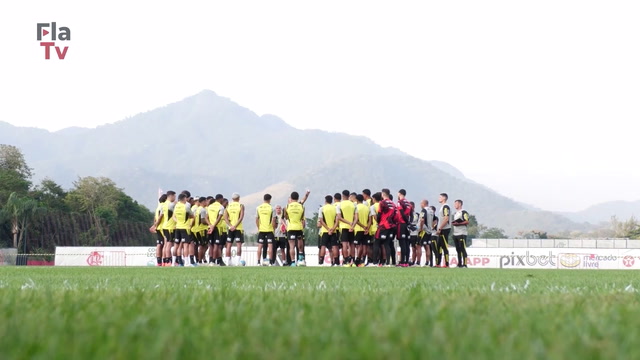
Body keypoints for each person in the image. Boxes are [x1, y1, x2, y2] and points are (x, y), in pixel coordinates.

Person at [284, 191, 306, 266]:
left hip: (291, 227)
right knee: (300, 241)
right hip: (299, 227)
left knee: (292, 246)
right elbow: (302, 217)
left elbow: (286, 217)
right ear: (297, 198)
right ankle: (300, 254)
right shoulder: (301, 206)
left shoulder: (287, 206)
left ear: (291, 197)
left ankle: (293, 262)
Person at [337, 189, 357, 267]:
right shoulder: (353, 205)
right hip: (352, 227)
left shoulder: (340, 205)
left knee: (344, 245)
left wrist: (348, 223)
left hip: (344, 227)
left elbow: (339, 217)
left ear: (342, 196)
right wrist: (352, 225)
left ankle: (346, 261)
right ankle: (353, 261)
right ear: (349, 196)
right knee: (352, 244)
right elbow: (356, 218)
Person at [172, 193, 194, 266]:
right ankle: (187, 262)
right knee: (185, 245)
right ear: (184, 199)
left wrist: (178, 221)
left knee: (176, 245)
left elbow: (173, 217)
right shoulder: (186, 207)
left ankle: (173, 262)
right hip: (185, 227)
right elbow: (192, 216)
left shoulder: (176, 206)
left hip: (178, 227)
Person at [378, 189, 397, 267]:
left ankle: (378, 261)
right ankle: (388, 262)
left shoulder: (382, 203)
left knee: (378, 243)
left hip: (383, 225)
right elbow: (395, 216)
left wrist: (378, 223)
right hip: (391, 225)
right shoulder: (393, 203)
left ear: (383, 194)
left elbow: (379, 214)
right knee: (387, 244)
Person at [224, 193, 245, 266]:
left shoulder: (228, 206)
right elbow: (241, 217)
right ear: (239, 198)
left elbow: (225, 218)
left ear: (232, 198)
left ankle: (227, 262)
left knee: (229, 244)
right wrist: (235, 226)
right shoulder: (241, 205)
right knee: (239, 244)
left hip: (230, 228)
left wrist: (230, 226)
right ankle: (237, 262)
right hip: (238, 228)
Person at [256, 193, 276, 266]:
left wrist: (259, 228)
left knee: (259, 246)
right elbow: (274, 220)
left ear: (263, 199)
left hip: (261, 230)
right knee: (270, 246)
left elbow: (257, 219)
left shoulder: (258, 207)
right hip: (269, 230)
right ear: (269, 200)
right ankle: (270, 262)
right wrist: (273, 229)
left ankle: (258, 262)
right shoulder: (272, 208)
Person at [318, 195, 339, 266]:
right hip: (334, 230)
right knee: (334, 246)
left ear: (325, 200)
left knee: (323, 246)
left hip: (324, 231)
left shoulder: (322, 208)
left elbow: (321, 220)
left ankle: (321, 262)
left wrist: (327, 229)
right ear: (332, 200)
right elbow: (337, 220)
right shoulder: (335, 208)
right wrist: (333, 228)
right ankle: (336, 262)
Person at [205, 194, 225, 266]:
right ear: (221, 199)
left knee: (211, 245)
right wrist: (213, 226)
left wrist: (210, 225)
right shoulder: (221, 207)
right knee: (216, 245)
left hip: (209, 227)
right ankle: (213, 261)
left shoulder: (209, 206)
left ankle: (210, 261)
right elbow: (219, 218)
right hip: (217, 228)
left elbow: (206, 217)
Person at [149, 194, 167, 266]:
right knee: (166, 244)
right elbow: (160, 217)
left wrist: (155, 225)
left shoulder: (158, 207)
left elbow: (155, 217)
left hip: (159, 227)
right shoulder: (163, 206)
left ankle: (159, 262)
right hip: (163, 227)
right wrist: (155, 225)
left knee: (159, 244)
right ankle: (165, 261)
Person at [452, 199, 470, 268]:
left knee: (463, 249)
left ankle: (465, 264)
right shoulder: (456, 213)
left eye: (456, 204)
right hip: (455, 233)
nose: (455, 205)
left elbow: (467, 221)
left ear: (459, 204)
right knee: (458, 249)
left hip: (462, 233)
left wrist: (459, 223)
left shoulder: (464, 212)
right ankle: (459, 263)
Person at [396, 189, 412, 267]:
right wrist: (409, 223)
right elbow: (411, 214)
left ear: (400, 194)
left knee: (402, 243)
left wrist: (406, 222)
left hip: (402, 224)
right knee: (406, 243)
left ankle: (402, 262)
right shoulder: (409, 203)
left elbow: (401, 213)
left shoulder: (400, 202)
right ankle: (406, 261)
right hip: (407, 225)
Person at [354, 194, 371, 267]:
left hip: (358, 229)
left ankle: (358, 259)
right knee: (365, 246)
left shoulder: (356, 207)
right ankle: (363, 260)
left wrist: (363, 226)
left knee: (359, 246)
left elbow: (356, 220)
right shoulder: (367, 208)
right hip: (366, 229)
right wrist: (367, 227)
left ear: (357, 200)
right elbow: (370, 220)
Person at [435, 193, 451, 268]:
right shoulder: (442, 207)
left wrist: (440, 228)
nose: (439, 198)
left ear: (444, 198)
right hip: (441, 229)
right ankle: (438, 263)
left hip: (444, 229)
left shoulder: (445, 207)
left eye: (440, 197)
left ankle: (447, 264)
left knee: (444, 246)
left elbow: (446, 218)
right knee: (439, 246)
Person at [417, 200, 433, 267]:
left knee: (418, 245)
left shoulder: (424, 210)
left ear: (424, 204)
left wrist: (420, 228)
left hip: (423, 230)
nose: (420, 205)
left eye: (421, 203)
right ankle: (427, 263)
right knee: (427, 246)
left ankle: (418, 262)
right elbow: (435, 220)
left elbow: (422, 220)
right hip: (429, 230)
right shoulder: (431, 210)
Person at [368, 192, 381, 266]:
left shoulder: (372, 207)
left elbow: (374, 217)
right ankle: (382, 261)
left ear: (374, 199)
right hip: (383, 227)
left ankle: (374, 261)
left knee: (374, 245)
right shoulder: (382, 205)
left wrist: (378, 222)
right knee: (382, 245)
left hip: (375, 228)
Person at [408, 201, 420, 266]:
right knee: (407, 247)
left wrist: (415, 228)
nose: (411, 208)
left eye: (412, 207)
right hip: (408, 233)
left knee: (414, 248)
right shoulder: (407, 214)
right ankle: (406, 260)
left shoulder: (417, 214)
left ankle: (415, 261)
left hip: (415, 233)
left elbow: (419, 224)